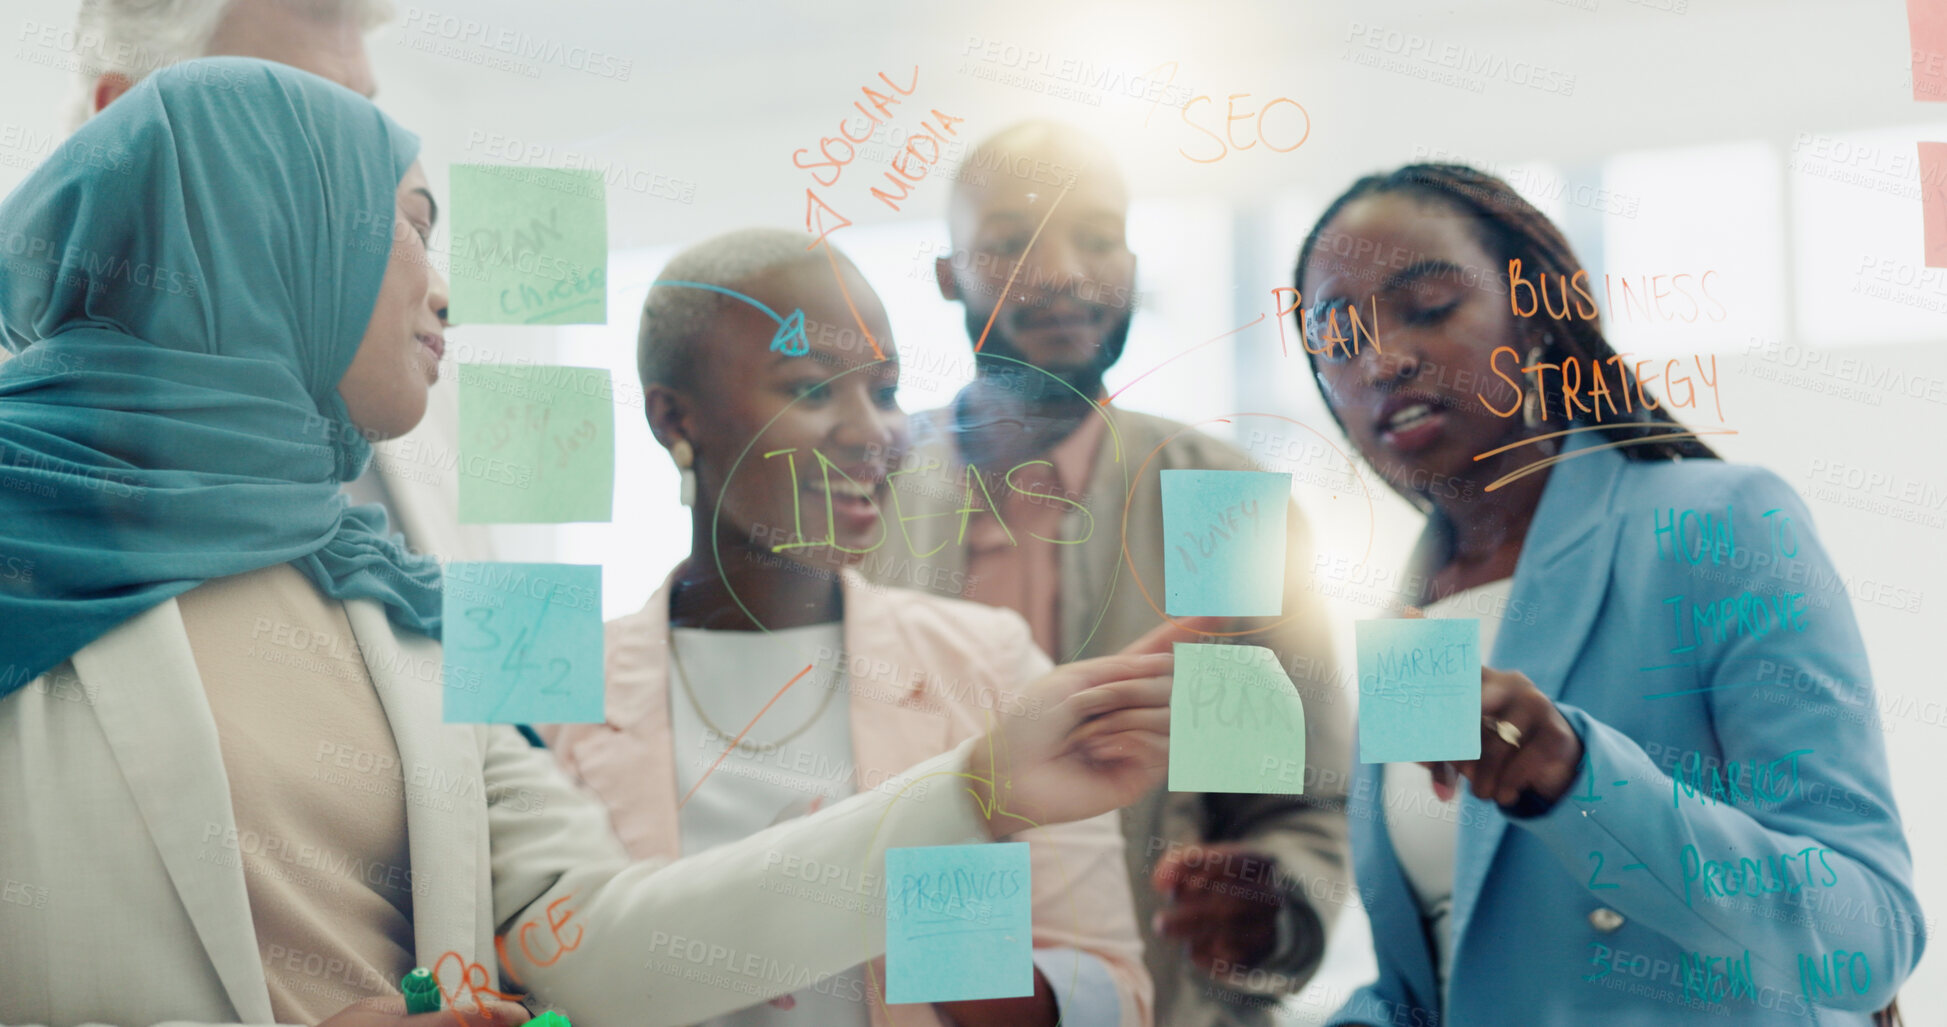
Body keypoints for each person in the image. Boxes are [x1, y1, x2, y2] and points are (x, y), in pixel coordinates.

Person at [0, 59, 1175, 1027]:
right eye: (412, 227)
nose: (447, 289)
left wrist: (974, 790)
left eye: (881, 389)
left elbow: (600, 940)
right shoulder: (24, 559)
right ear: (274, 241)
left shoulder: (393, 606)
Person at [1292, 163, 1922, 1025]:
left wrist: (1572, 774)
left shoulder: (1719, 524)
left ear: (1536, 313)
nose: (1384, 357)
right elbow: (1433, 985)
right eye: (1337, 335)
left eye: (1430, 305)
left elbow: (1865, 935)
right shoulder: (1406, 623)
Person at [541, 228, 1166, 1027]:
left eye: (885, 390)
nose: (873, 431)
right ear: (674, 418)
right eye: (809, 390)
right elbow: (508, 969)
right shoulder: (551, 690)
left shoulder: (989, 661)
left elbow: (1114, 993)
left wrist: (940, 931)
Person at [860, 120, 1353, 1027]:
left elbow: (1288, 799)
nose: (1063, 274)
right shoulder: (863, 492)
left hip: (1166, 1004)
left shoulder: (1221, 501)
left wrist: (1268, 904)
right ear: (946, 274)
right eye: (1010, 243)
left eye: (1096, 238)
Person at [63, 0, 485, 566]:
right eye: (307, 123)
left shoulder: (427, 405)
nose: (362, 165)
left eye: (365, 126)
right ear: (132, 126)